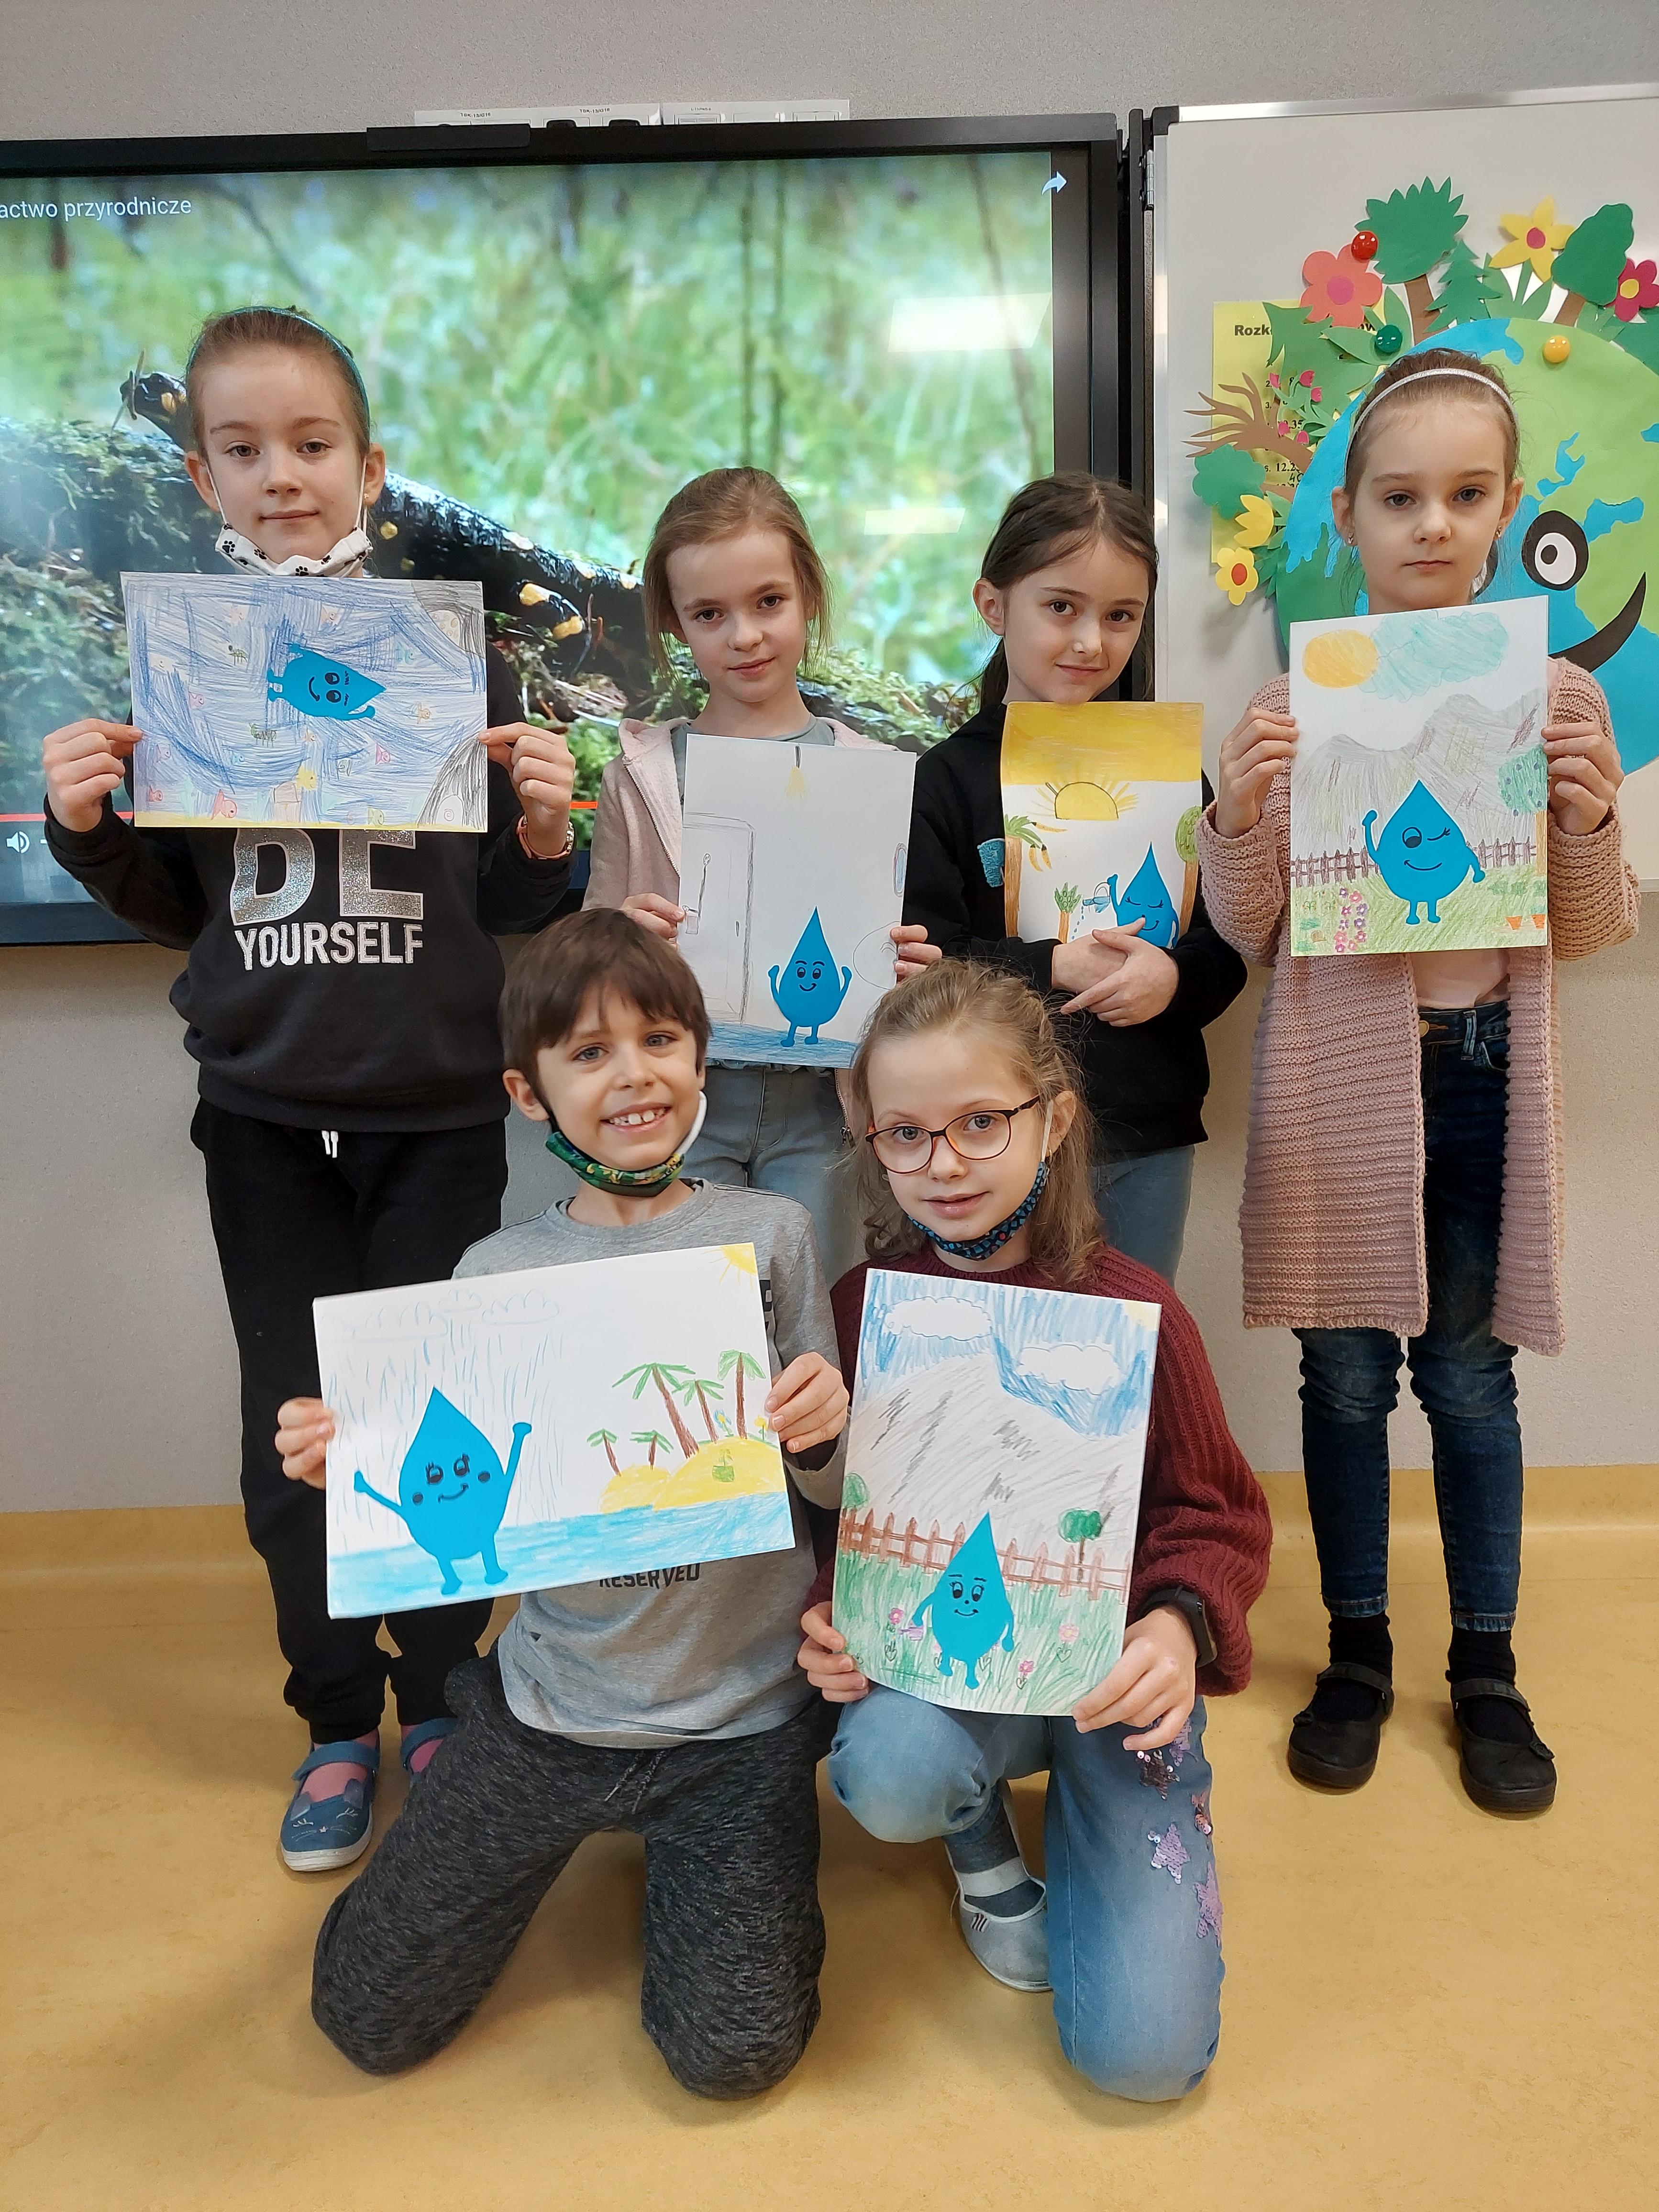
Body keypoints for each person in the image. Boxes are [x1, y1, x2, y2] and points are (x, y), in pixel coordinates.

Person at [39, 306, 578, 1871]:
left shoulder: (453, 651)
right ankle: (336, 1716)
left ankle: (445, 1696)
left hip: (440, 1111)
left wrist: (548, 831)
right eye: (244, 448)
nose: (282, 474)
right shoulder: (188, 657)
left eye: (312, 442)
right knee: (295, 1437)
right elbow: (173, 906)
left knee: (437, 1420)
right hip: (265, 1120)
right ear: (201, 475)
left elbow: (514, 906)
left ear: (370, 465)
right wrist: (88, 826)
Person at [276, 907, 850, 2098]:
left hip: (741, 1720)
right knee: (365, 2014)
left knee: (734, 2055)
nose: (633, 1074)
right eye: (590, 1052)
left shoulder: (774, 1235)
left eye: (660, 1039)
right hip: (550, 1706)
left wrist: (828, 1427)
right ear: (528, 1094)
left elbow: (831, 1490)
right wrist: (355, 1477)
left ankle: (698, 1869)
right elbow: (468, 1517)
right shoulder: (496, 1275)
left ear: (700, 1056)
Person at [1198, 348, 1639, 1814]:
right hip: (1340, 1082)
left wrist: (1585, 818)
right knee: (1340, 1378)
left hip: (1483, 1072)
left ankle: (1486, 1669)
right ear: (1347, 515)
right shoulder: (1297, 701)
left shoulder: (1555, 696)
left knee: (1465, 1377)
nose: (1431, 524)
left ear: (1507, 509)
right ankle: (1355, 1650)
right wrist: (1238, 813)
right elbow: (1247, 927)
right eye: (1398, 498)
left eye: (1463, 495)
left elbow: (1587, 926)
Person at [796, 962, 1270, 2101]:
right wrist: (831, 1615)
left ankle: (1103, 1803)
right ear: (872, 1139)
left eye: (981, 1122)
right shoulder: (861, 1308)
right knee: (892, 1768)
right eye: (906, 1133)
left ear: (1052, 1121)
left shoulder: (1137, 1308)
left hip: (1107, 1678)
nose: (944, 1162)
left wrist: (1177, 1626)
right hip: (951, 1662)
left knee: (1145, 2059)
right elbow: (841, 1516)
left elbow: (1216, 1512)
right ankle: (978, 1837)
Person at [585, 466, 937, 1283]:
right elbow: (587, 964)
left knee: (812, 1317)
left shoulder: (872, 773)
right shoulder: (639, 774)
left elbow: (892, 956)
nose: (744, 636)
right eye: (710, 614)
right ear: (674, 622)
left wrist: (913, 972)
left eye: (768, 602)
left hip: (824, 1112)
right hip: (681, 1107)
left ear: (808, 594)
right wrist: (622, 940)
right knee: (693, 1318)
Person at [901, 473, 1247, 1283]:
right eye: (1062, 606)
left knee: (1132, 1337)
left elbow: (1226, 942)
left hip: (1143, 1128)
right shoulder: (946, 779)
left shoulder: (1169, 773)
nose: (1091, 641)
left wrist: (1171, 978)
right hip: (988, 1135)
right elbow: (927, 962)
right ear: (994, 606)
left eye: (1121, 616)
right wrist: (1055, 963)